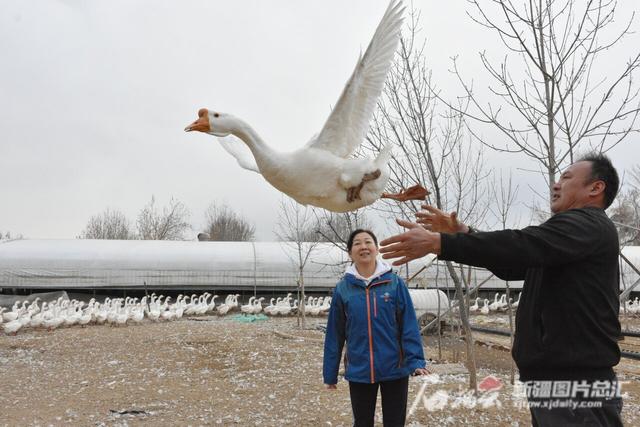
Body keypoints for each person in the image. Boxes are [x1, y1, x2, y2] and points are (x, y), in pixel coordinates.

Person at [379, 153, 623, 427]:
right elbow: (513, 264)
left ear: (595, 188)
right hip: (558, 380)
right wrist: (463, 233)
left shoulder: (588, 224)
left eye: (566, 178)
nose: (556, 185)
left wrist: (441, 243)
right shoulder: (568, 238)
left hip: (577, 383)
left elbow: (521, 245)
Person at [323, 229, 429, 427]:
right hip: (360, 370)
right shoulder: (343, 289)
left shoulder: (395, 284)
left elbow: (408, 325)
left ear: (376, 248)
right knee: (362, 423)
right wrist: (330, 373)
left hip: (395, 368)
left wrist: (416, 361)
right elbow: (335, 334)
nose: (363, 246)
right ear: (349, 253)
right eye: (357, 243)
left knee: (395, 422)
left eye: (368, 242)